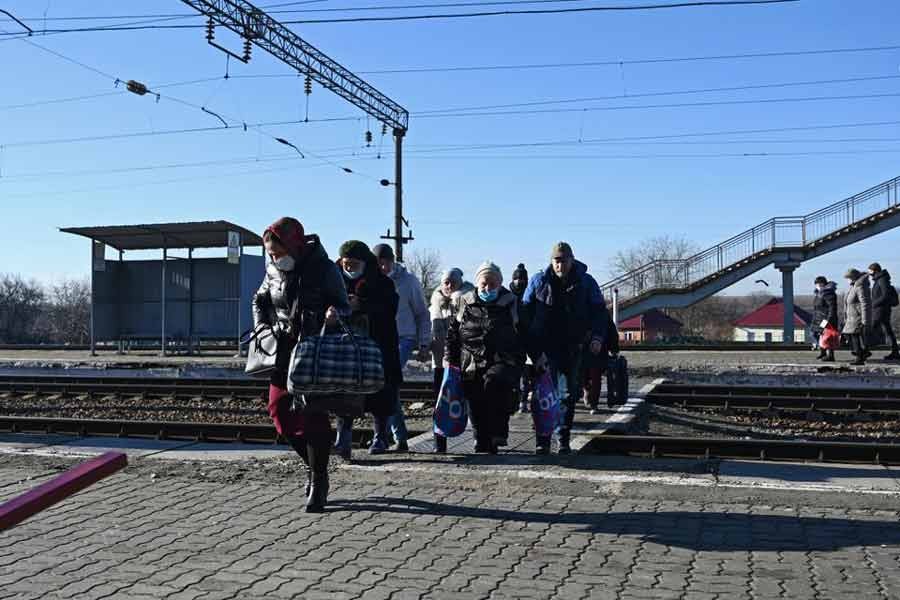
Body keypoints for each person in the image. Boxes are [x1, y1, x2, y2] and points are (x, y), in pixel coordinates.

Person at [253, 217, 350, 513]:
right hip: (282, 350)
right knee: (279, 411)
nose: (274, 258)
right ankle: (314, 466)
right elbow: (259, 300)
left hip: (314, 350)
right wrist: (262, 329)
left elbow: (345, 305)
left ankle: (319, 481)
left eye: (278, 253)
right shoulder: (272, 270)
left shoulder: (324, 269)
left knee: (313, 415)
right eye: (270, 254)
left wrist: (335, 314)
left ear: (294, 245)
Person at [522, 242, 609, 455]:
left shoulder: (586, 282)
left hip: (572, 347)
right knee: (542, 394)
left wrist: (597, 337)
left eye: (564, 260)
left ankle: (563, 439)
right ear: (552, 261)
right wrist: (531, 348)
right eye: (557, 260)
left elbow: (599, 312)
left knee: (567, 394)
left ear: (572, 259)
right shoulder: (539, 281)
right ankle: (542, 440)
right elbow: (525, 313)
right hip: (543, 348)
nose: (560, 264)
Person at [333, 241, 403, 458]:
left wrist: (360, 305)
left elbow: (388, 311)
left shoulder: (382, 283)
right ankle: (343, 438)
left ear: (365, 263)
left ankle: (380, 436)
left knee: (380, 394)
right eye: (347, 264)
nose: (350, 269)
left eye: (355, 264)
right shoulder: (333, 280)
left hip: (377, 346)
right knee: (343, 392)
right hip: (343, 349)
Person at [445, 261, 523, 454]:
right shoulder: (464, 302)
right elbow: (453, 334)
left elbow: (525, 332)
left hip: (503, 358)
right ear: (477, 284)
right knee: (474, 397)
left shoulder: (511, 302)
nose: (488, 288)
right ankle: (480, 438)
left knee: (494, 383)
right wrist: (449, 358)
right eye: (484, 284)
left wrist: (535, 358)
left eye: (492, 284)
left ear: (500, 283)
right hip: (470, 359)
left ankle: (497, 432)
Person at [371, 243, 431, 452]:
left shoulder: (409, 282)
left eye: (385, 263)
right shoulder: (371, 280)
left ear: (392, 261)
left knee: (387, 381)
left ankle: (382, 437)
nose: (382, 268)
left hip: (404, 337)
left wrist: (424, 342)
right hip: (379, 338)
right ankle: (400, 438)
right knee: (389, 387)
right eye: (378, 263)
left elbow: (422, 314)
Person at [429, 268, 474, 397]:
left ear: (460, 282)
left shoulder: (469, 300)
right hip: (439, 357)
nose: (449, 286)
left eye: (453, 282)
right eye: (446, 282)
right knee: (440, 394)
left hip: (461, 357)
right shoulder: (436, 303)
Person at [509, 264, 533, 414]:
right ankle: (517, 399)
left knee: (527, 374)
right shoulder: (507, 296)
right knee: (515, 373)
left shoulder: (529, 296)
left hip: (527, 339)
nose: (519, 281)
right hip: (512, 340)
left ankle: (523, 400)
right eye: (516, 278)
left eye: (521, 278)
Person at [869, 263, 900, 360]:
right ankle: (895, 351)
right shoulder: (880, 279)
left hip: (880, 309)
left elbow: (885, 295)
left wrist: (873, 304)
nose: (869, 273)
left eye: (870, 271)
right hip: (882, 309)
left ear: (875, 270)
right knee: (887, 330)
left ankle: (864, 351)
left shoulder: (882, 280)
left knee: (871, 328)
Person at [842, 268, 872, 366]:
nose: (847, 280)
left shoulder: (860, 286)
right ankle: (862, 353)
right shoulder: (853, 286)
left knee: (854, 335)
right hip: (851, 316)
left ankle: (860, 356)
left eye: (849, 278)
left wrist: (865, 320)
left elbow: (864, 303)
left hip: (857, 316)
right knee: (850, 335)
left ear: (853, 277)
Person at [812, 276, 838, 362]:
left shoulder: (828, 293)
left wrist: (829, 319)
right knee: (818, 334)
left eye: (820, 284)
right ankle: (823, 352)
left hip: (825, 318)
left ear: (824, 284)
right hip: (818, 318)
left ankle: (830, 355)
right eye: (816, 284)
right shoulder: (819, 293)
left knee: (827, 336)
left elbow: (832, 307)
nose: (818, 286)